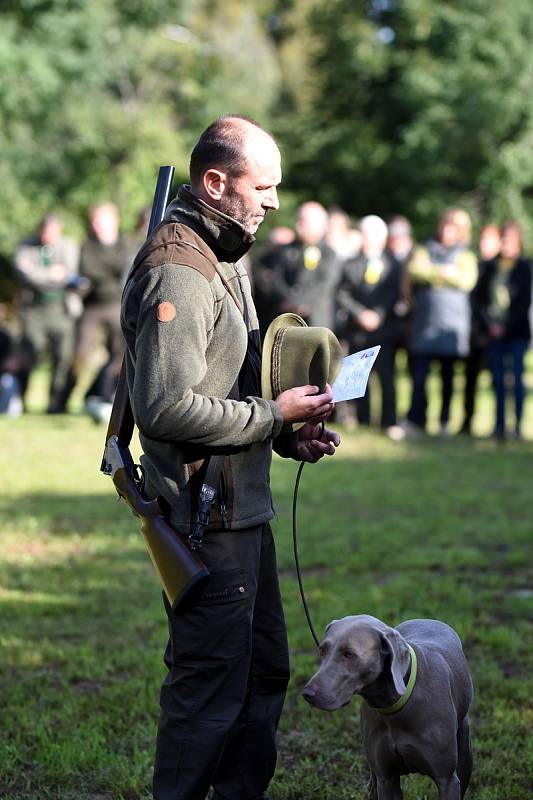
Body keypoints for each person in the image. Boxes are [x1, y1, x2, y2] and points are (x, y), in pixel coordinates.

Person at [121, 115, 340, 800]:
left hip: (242, 509)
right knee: (208, 694)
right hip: (204, 521)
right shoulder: (179, 271)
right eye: (262, 185)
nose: (272, 200)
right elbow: (163, 408)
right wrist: (274, 414)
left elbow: (231, 387)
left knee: (263, 672)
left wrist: (286, 434)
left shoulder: (224, 254)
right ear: (215, 183)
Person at [403, 209, 478, 435]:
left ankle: (444, 421)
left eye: (453, 227)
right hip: (425, 324)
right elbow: (416, 270)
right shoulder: (425, 249)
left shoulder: (466, 255)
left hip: (451, 326)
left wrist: (434, 274)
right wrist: (445, 273)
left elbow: (466, 280)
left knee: (447, 378)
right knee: (419, 376)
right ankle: (416, 420)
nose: (447, 231)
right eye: (445, 226)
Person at [335, 215, 404, 439]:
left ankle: (389, 421)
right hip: (358, 330)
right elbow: (342, 294)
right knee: (360, 377)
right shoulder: (350, 264)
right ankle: (362, 419)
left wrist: (378, 315)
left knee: (387, 377)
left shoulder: (394, 264)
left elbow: (394, 294)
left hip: (385, 330)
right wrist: (360, 314)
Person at [14, 213, 79, 412]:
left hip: (61, 309)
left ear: (59, 231)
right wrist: (51, 273)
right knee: (29, 354)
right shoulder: (26, 246)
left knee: (63, 357)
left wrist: (39, 274)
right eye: (44, 231)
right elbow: (25, 274)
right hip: (35, 310)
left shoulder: (68, 246)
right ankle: (19, 400)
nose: (47, 236)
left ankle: (56, 403)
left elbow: (68, 275)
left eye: (52, 232)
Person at [472, 221, 531, 439]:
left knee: (516, 379)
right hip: (494, 333)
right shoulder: (490, 267)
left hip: (516, 333)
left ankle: (516, 426)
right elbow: (480, 299)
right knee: (497, 380)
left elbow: (523, 301)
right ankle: (499, 426)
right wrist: (491, 325)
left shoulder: (525, 267)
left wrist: (505, 326)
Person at [75, 202, 131, 421]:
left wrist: (105, 273)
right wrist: (111, 272)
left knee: (119, 354)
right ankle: (65, 398)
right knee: (81, 353)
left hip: (116, 305)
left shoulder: (125, 245)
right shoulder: (88, 245)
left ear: (114, 221)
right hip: (92, 307)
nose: (96, 226)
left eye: (101, 221)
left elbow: (124, 269)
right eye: (94, 222)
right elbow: (89, 269)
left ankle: (103, 395)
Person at [253, 201, 343, 336]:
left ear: (319, 224)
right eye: (298, 220)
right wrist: (289, 301)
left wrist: (301, 303)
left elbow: (325, 284)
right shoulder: (285, 250)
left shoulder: (329, 254)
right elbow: (275, 278)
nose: (298, 225)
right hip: (286, 321)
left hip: (316, 323)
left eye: (303, 221)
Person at [459, 223, 502, 435]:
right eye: (483, 239)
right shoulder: (476, 265)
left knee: (498, 381)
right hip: (474, 334)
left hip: (494, 334)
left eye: (490, 240)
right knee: (470, 381)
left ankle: (500, 424)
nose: (485, 244)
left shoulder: (499, 268)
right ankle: (467, 422)